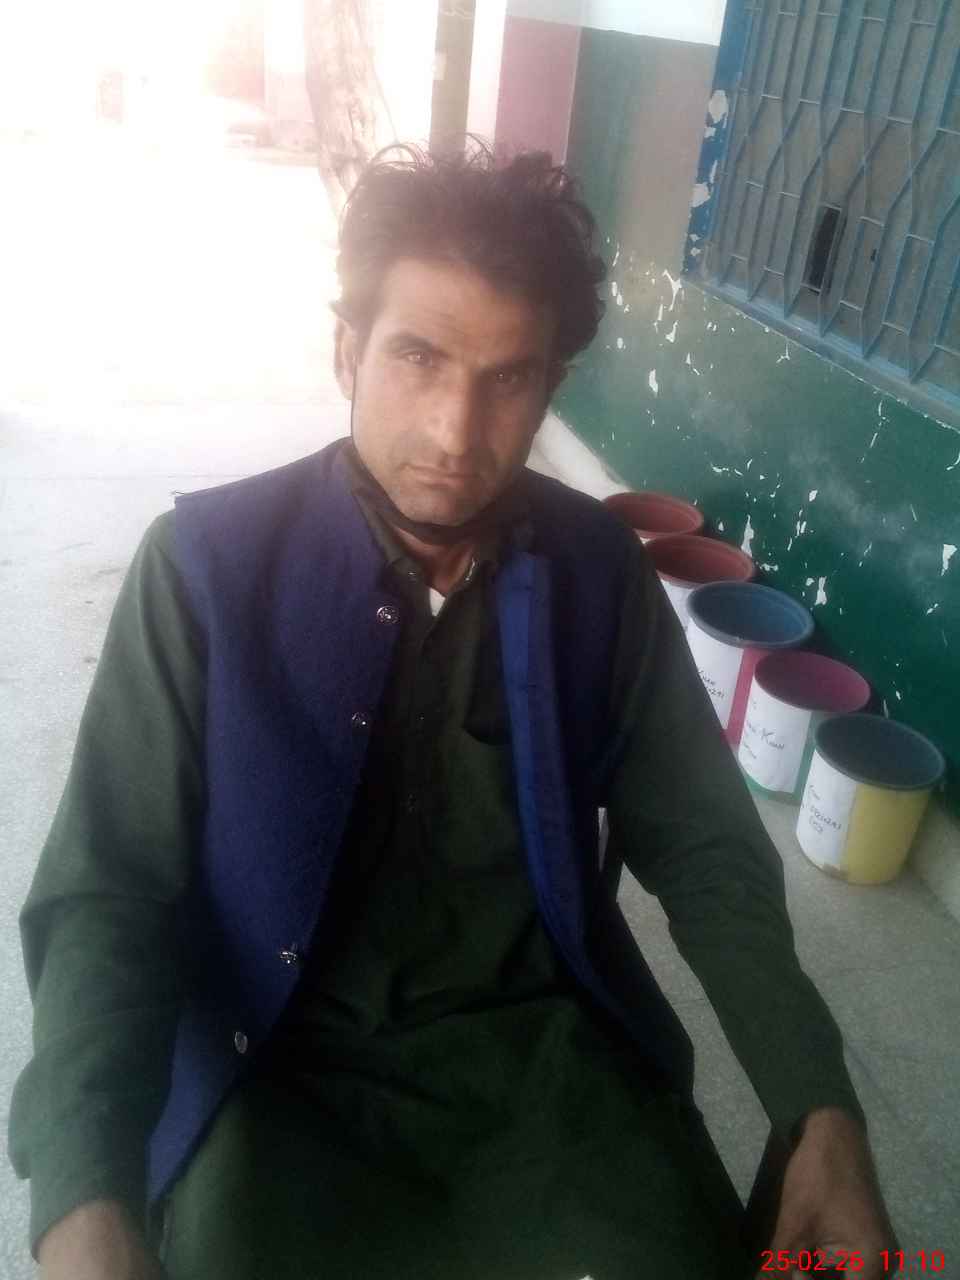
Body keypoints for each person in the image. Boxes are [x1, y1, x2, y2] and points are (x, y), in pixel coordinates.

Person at [9, 144, 898, 1280]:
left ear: (551, 385)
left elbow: (708, 849)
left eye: (507, 378)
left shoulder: (598, 572)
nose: (453, 432)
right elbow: (109, 891)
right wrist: (83, 1190)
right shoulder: (202, 569)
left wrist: (818, 1103)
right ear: (348, 350)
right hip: (271, 1060)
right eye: (417, 358)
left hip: (549, 1057)